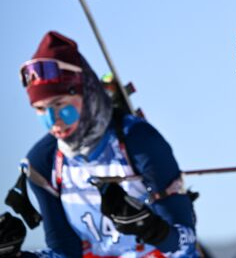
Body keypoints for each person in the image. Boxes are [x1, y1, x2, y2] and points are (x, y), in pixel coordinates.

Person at [0, 31, 199, 257]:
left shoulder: (139, 140)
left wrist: (154, 230)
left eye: (60, 104)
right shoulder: (42, 162)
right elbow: (65, 252)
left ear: (87, 93)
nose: (52, 119)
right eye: (40, 109)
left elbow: (186, 243)